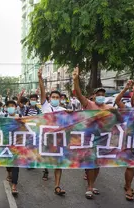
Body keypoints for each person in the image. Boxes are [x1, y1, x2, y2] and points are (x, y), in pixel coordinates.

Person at [73, 66, 112, 199]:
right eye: (98, 94)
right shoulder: (89, 104)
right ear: (94, 96)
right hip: (89, 138)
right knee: (91, 162)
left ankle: (92, 184)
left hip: (103, 138)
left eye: (103, 94)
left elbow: (121, 116)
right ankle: (89, 187)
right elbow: (78, 94)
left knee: (98, 164)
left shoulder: (108, 107)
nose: (101, 96)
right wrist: (75, 80)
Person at [38, 66, 68, 196]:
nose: (55, 98)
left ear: (60, 99)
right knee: (47, 160)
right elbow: (42, 91)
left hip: (59, 140)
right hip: (46, 139)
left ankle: (57, 186)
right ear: (50, 98)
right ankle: (45, 169)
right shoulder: (45, 106)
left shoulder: (63, 109)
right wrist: (40, 78)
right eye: (53, 96)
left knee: (58, 163)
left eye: (57, 97)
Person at [0, 92, 20, 195]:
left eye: (13, 106)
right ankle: (8, 172)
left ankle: (14, 185)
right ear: (6, 108)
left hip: (17, 145)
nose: (11, 107)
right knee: (8, 164)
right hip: (6, 144)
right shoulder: (4, 116)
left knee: (16, 165)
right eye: (9, 106)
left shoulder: (20, 117)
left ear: (16, 107)